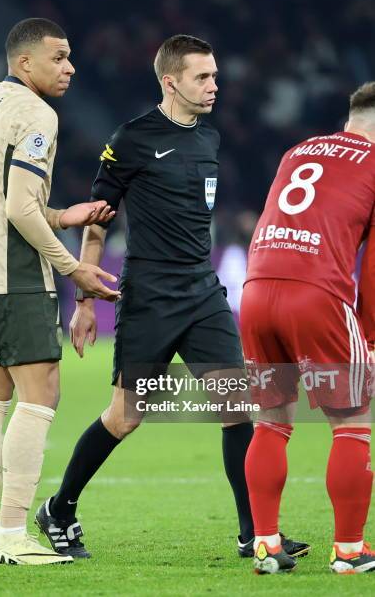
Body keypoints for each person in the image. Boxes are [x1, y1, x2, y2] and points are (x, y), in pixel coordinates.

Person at [35, 34, 308, 561]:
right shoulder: (132, 138)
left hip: (203, 291)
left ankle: (254, 532)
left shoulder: (210, 139)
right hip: (151, 296)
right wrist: (85, 297)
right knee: (125, 417)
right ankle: (60, 508)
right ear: (171, 81)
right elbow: (97, 215)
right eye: (202, 77)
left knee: (236, 408)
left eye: (215, 76)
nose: (214, 86)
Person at [0, 18, 120, 566]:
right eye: (59, 58)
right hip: (10, 274)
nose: (70, 68)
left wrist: (64, 214)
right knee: (41, 394)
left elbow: (3, 198)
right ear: (26, 63)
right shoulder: (38, 113)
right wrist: (75, 270)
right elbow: (18, 210)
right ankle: (15, 534)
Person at [240, 82, 375, 574]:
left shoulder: (298, 150)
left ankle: (265, 545)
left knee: (272, 421)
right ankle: (350, 551)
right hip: (316, 293)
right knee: (352, 423)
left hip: (256, 291)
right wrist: (371, 336)